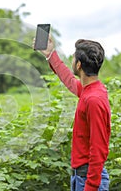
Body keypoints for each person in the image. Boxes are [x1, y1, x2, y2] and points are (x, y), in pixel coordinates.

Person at [33, 36, 111, 191]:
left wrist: (91, 186)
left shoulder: (93, 99)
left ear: (79, 64)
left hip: (89, 180)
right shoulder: (90, 91)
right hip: (81, 176)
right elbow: (69, 80)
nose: (72, 60)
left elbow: (99, 148)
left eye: (74, 57)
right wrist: (50, 54)